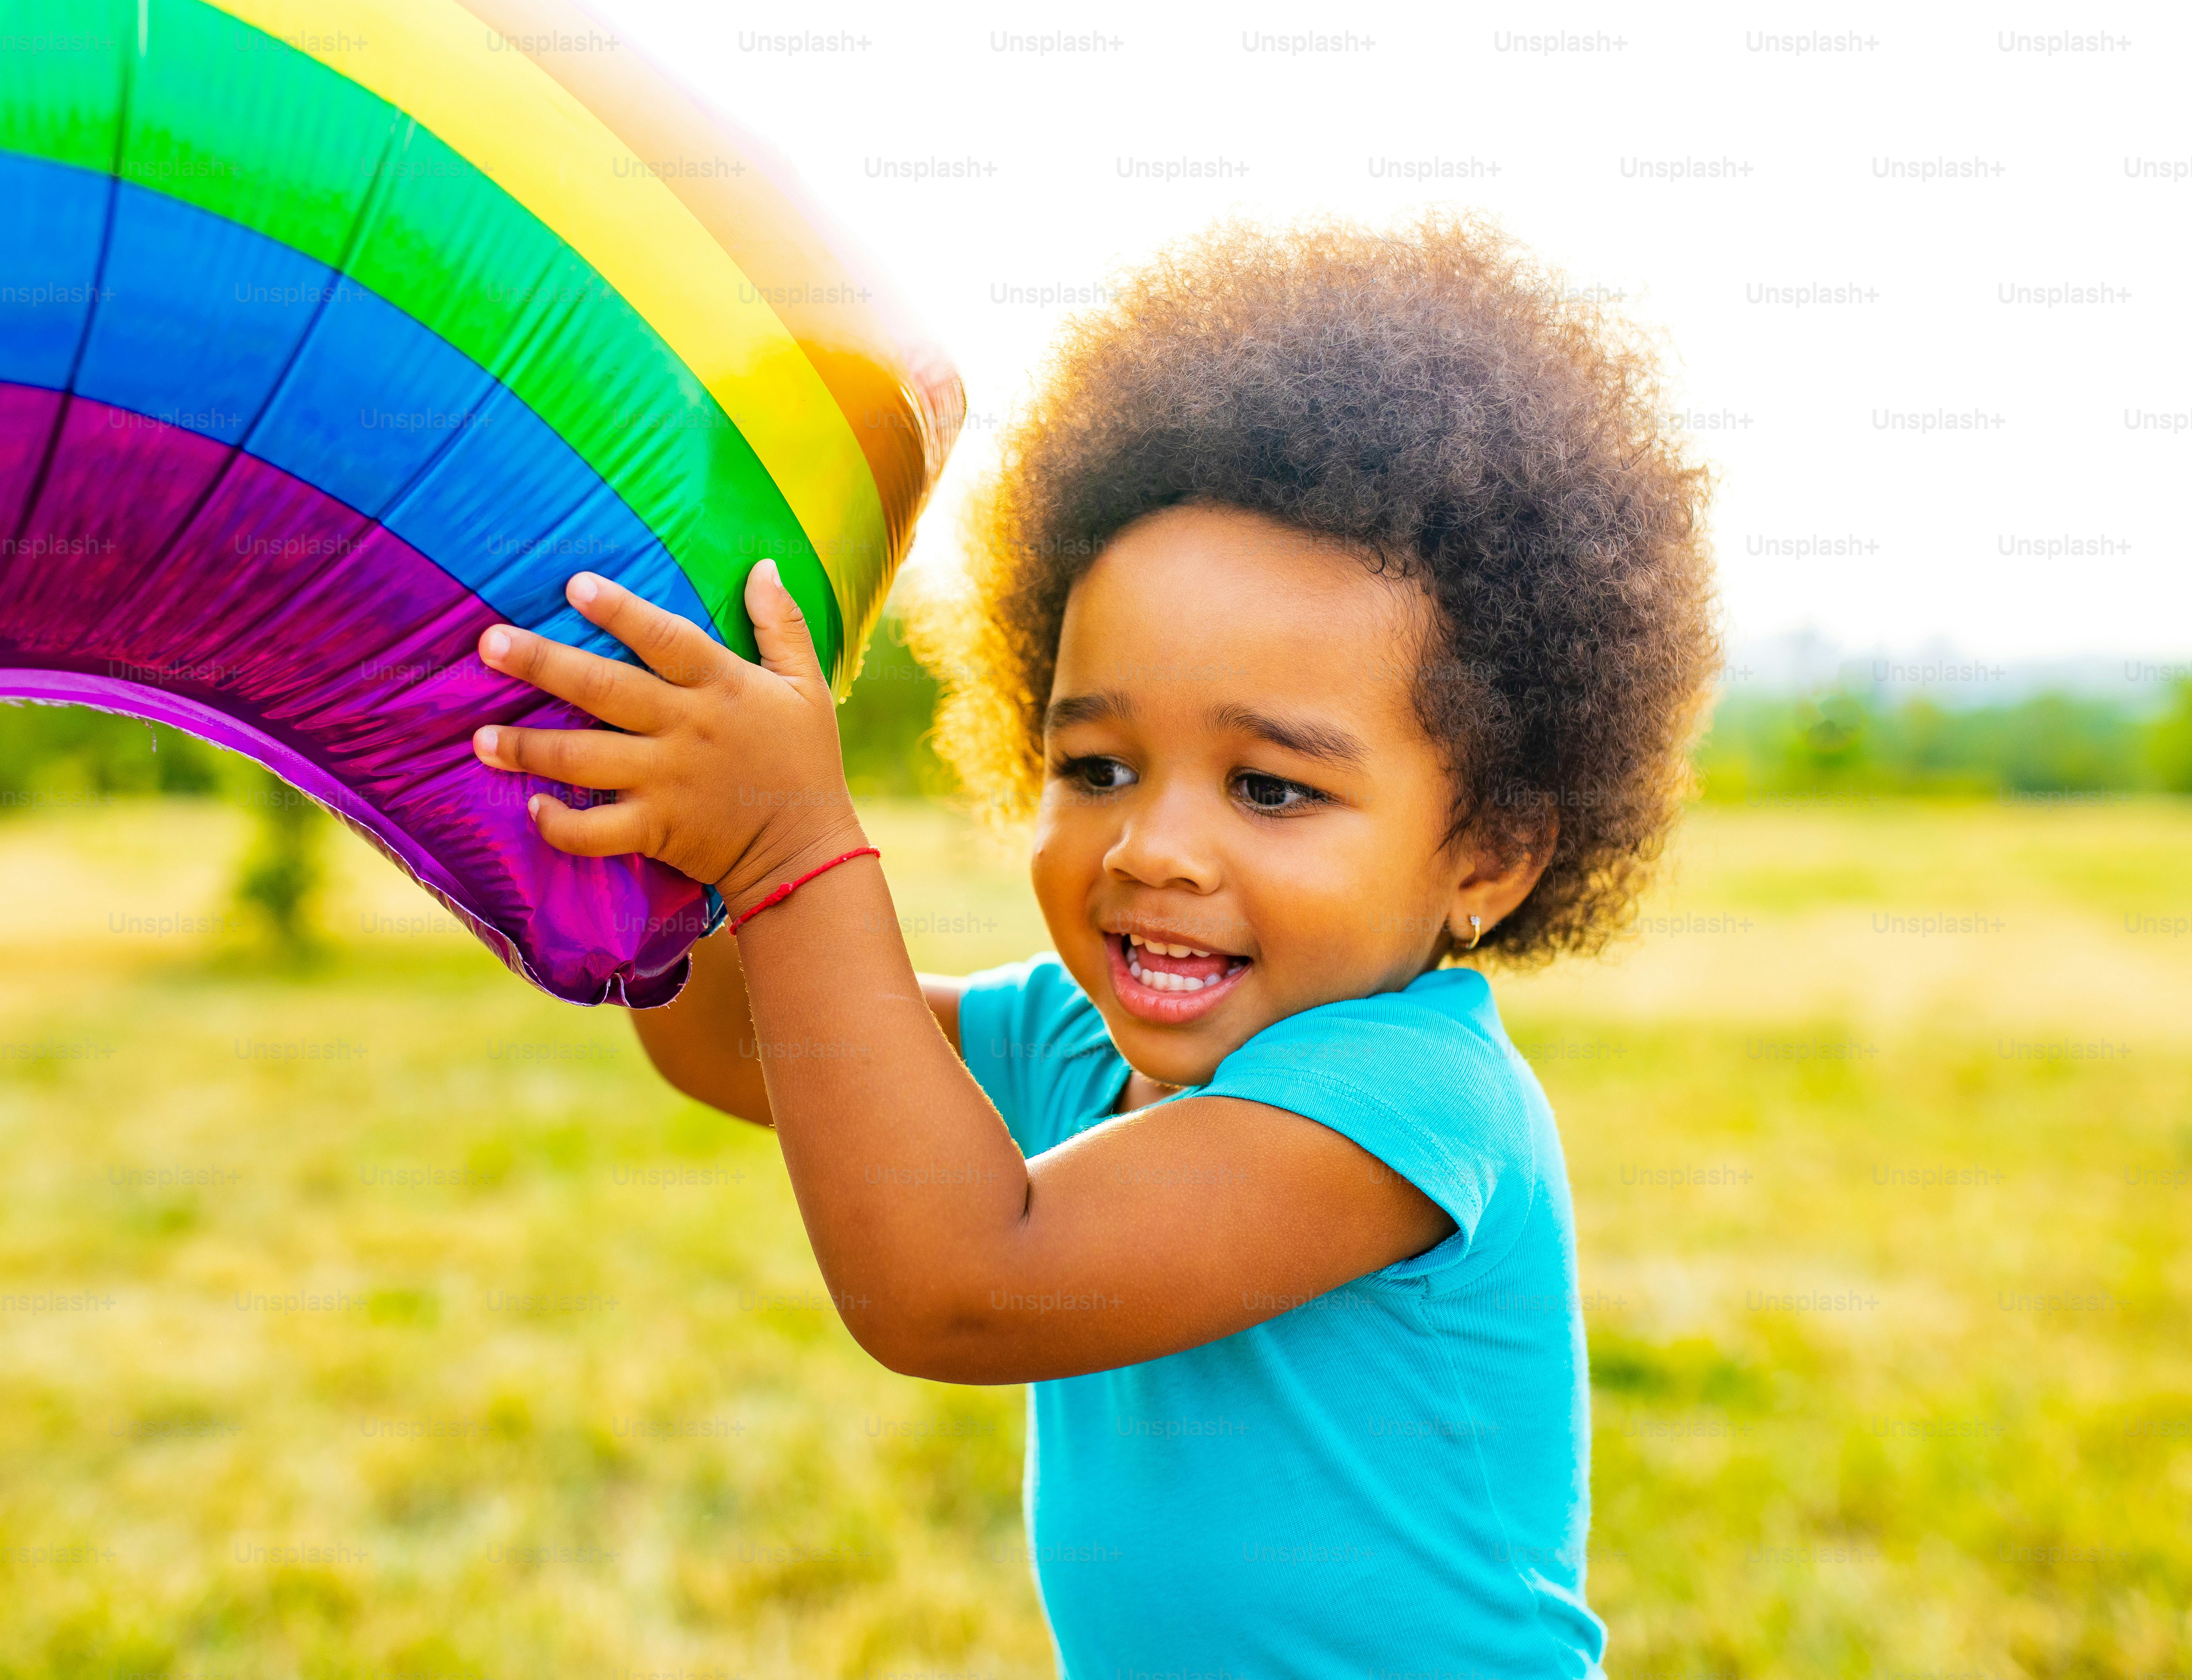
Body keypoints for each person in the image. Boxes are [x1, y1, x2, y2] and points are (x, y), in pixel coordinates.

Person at [470, 213, 1716, 1676]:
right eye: (1099, 768)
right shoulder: (1077, 1039)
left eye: (1270, 788)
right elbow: (739, 1046)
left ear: (1488, 857)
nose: (1151, 848)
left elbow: (957, 1285)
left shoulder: (1410, 1101)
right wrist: (653, 831)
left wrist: (792, 851)